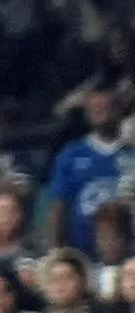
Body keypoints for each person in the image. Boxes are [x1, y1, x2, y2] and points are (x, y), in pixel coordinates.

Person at [44, 82, 125, 247]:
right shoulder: (71, 155)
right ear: (88, 114)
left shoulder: (131, 152)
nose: (101, 114)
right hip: (82, 255)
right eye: (95, 109)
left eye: (105, 108)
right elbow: (57, 208)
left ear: (118, 110)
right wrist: (55, 253)